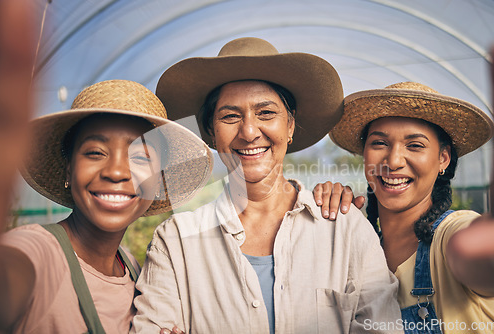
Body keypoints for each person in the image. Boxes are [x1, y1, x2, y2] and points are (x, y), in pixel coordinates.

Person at [131, 37, 402, 334]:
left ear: (290, 126)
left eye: (266, 113)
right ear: (211, 132)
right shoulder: (176, 241)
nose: (248, 132)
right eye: (230, 116)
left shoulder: (345, 229)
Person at [0, 79, 213, 334]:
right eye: (95, 153)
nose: (116, 172)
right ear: (69, 170)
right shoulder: (38, 251)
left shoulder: (132, 270)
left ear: (157, 181)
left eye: (140, 158)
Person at [315, 71, 494, 332]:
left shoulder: (450, 236)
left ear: (443, 159)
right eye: (379, 143)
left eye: (415, 145)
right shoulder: (356, 250)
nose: (393, 161)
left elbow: (482, 257)